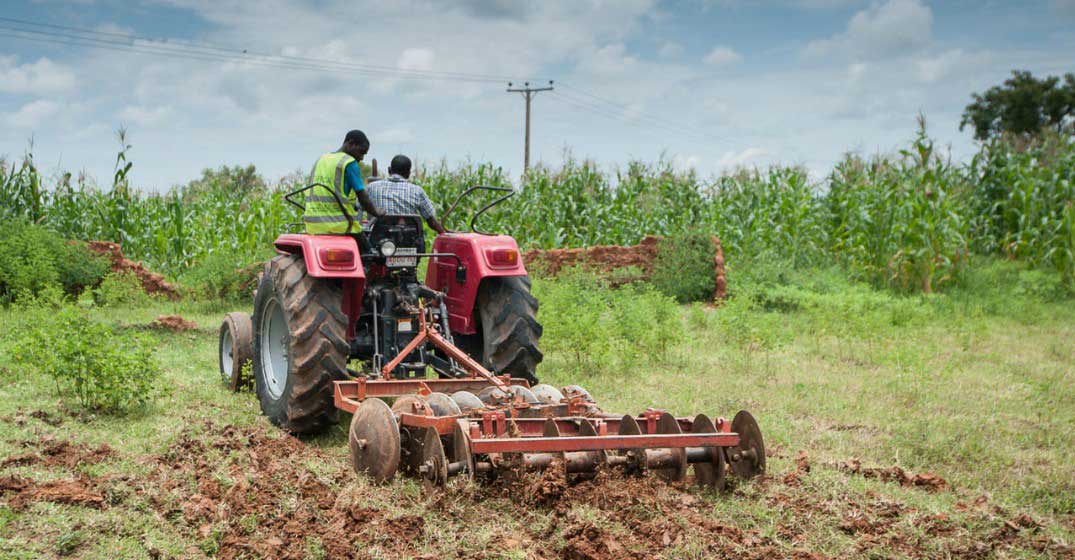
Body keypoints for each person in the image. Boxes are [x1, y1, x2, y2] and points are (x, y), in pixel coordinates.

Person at [304, 130, 384, 234]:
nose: (362, 158)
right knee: (369, 248)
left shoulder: (321, 159)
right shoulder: (348, 162)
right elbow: (363, 197)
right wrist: (376, 212)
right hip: (339, 225)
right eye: (361, 152)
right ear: (350, 144)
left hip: (312, 226)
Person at [367, 155, 448, 235]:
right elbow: (431, 221)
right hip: (409, 240)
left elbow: (359, 207)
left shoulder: (372, 187)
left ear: (389, 170)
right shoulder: (417, 191)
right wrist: (443, 232)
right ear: (408, 173)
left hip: (380, 239)